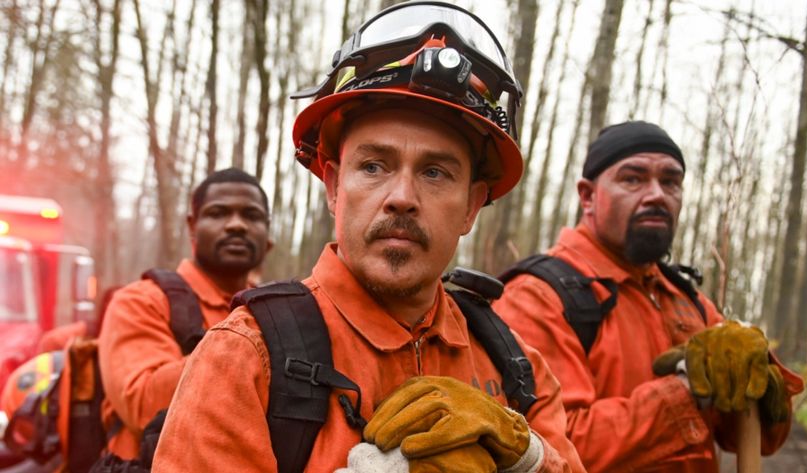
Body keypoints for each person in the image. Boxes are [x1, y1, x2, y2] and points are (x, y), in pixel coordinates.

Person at [153, 2, 585, 472]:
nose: (402, 197)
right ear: (334, 186)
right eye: (374, 166)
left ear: (471, 206)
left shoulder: (518, 366)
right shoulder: (245, 358)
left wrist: (528, 457)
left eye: (435, 172)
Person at [493, 120, 804, 472]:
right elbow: (555, 448)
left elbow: (760, 439)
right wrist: (687, 391)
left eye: (670, 181)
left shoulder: (687, 300)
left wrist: (762, 379)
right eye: (633, 178)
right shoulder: (537, 296)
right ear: (587, 196)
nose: (657, 194)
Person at [97, 167, 272, 460]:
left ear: (267, 230)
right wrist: (250, 350)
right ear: (192, 226)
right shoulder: (141, 301)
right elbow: (142, 406)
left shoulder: (270, 309)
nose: (236, 225)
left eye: (252, 216)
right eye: (218, 213)